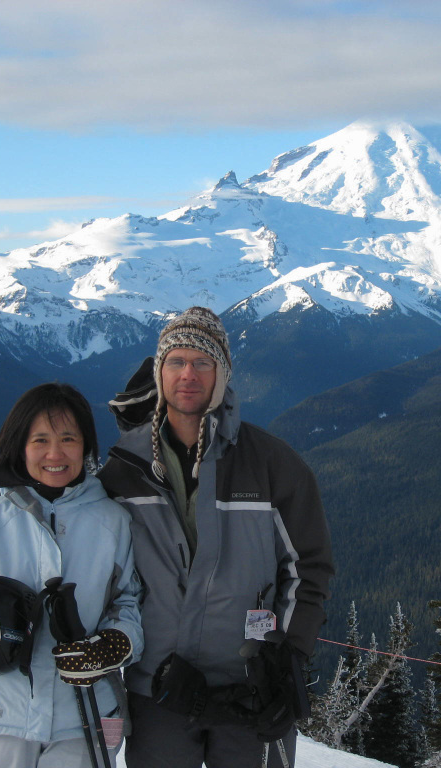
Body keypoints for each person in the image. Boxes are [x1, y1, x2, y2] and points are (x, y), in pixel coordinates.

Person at [98, 306, 335, 768]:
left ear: (222, 374)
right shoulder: (123, 470)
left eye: (203, 362)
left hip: (253, 688)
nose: (189, 374)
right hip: (159, 688)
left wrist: (287, 660)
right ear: (159, 371)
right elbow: (95, 566)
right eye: (176, 361)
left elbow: (309, 567)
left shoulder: (270, 464)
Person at [0, 383, 143, 768]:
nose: (55, 453)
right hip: (0, 718)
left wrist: (115, 644)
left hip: (84, 720)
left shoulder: (114, 524)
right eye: (40, 440)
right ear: (20, 446)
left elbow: (129, 603)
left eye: (69, 438)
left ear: (86, 445)